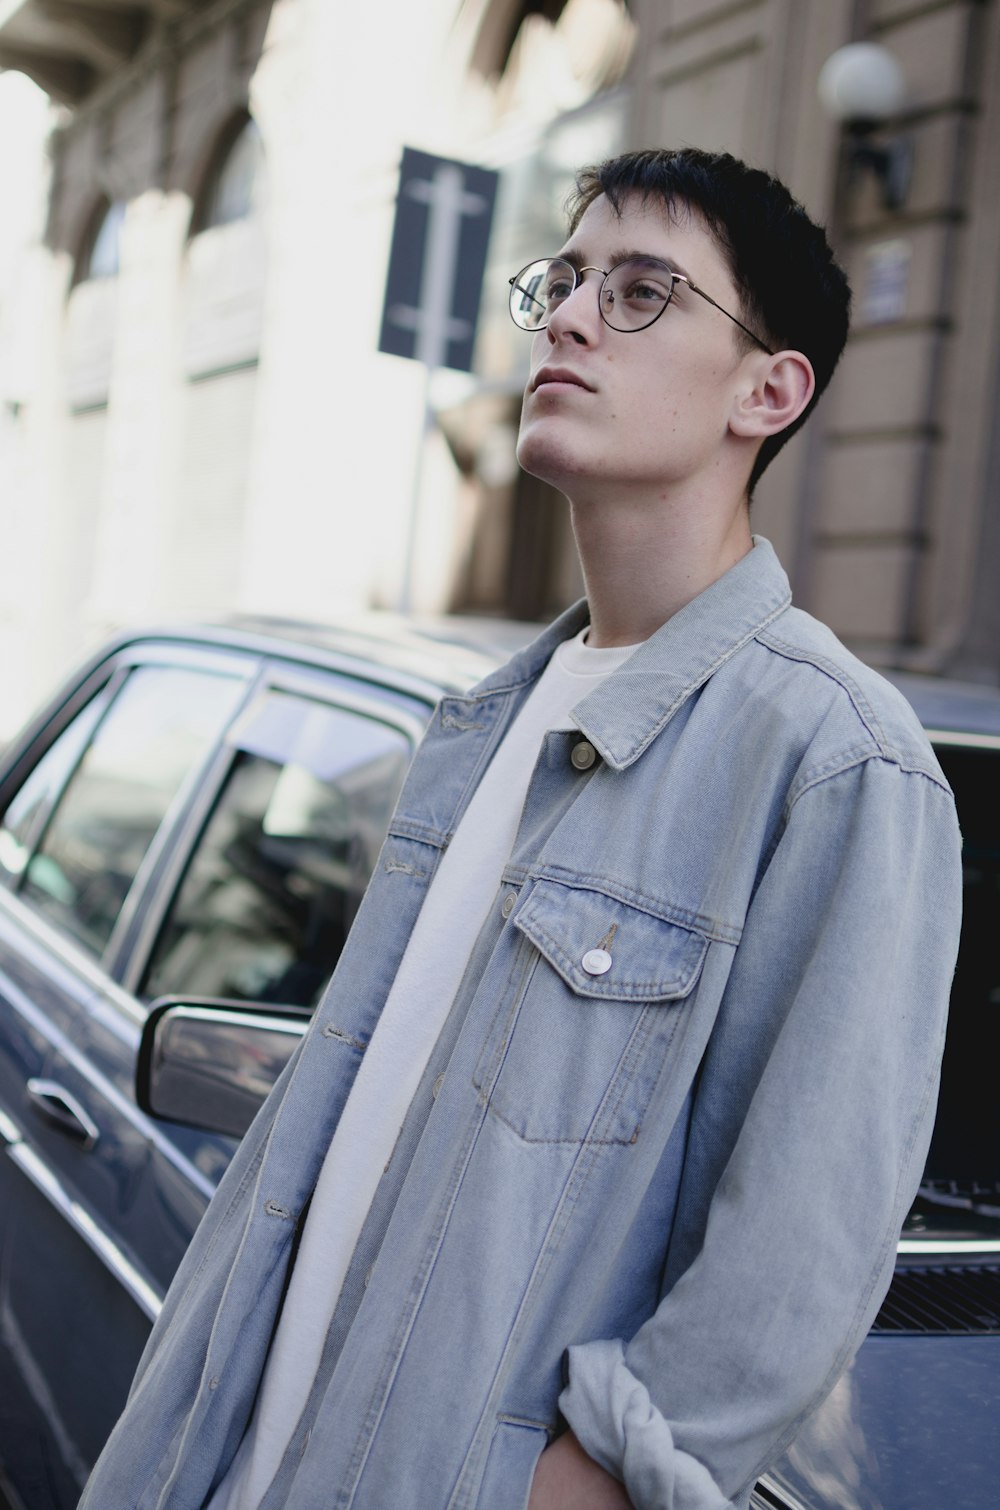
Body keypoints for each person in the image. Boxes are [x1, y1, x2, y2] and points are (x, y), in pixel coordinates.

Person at [82, 148, 962, 1510]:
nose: (565, 315)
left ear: (769, 389)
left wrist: (584, 1482)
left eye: (642, 292)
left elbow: (800, 1250)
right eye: (564, 281)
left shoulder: (836, 763)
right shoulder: (487, 719)